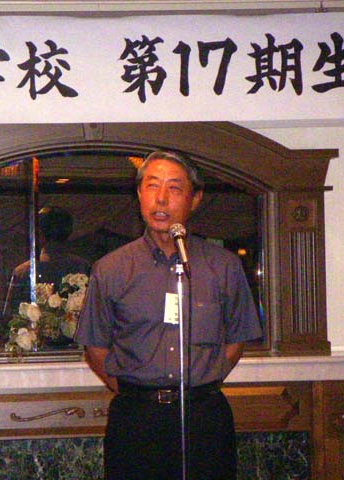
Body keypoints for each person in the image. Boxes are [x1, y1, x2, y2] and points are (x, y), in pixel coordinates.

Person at [75, 150, 263, 480]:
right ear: (139, 194)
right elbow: (96, 347)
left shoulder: (223, 266)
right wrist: (134, 390)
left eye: (174, 188)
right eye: (152, 186)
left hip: (204, 416)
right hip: (137, 419)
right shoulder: (111, 269)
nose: (161, 199)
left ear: (195, 199)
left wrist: (204, 380)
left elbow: (237, 338)